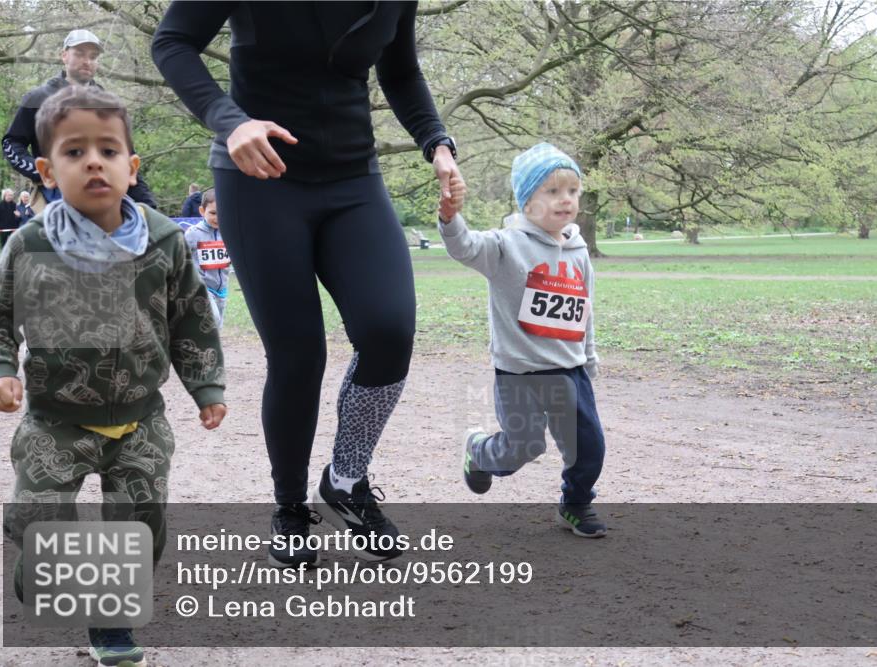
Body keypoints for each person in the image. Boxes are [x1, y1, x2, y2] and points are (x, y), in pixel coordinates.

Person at [152, 1, 464, 565]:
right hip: (258, 178)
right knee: (298, 354)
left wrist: (436, 143)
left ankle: (345, 480)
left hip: (352, 176)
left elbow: (400, 69)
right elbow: (172, 42)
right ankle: (290, 505)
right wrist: (230, 121)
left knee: (389, 329)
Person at [0, 85, 227, 666]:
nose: (94, 161)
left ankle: (110, 624)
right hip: (55, 422)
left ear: (131, 164)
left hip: (141, 420)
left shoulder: (165, 241)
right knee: (36, 519)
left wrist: (206, 386)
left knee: (141, 528)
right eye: (74, 152)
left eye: (109, 150)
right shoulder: (30, 243)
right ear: (45, 170)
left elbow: (192, 317)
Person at [438, 143, 607, 538]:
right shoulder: (503, 245)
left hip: (570, 369)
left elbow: (584, 309)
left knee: (589, 447)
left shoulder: (579, 252)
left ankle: (575, 505)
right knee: (524, 448)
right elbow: (464, 247)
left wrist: (589, 355)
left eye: (572, 191)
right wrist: (450, 218)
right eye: (552, 192)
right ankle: (479, 452)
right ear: (527, 201)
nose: (566, 200)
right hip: (519, 373)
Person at [2, 28, 157, 212]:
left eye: (93, 56)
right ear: (64, 55)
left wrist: (148, 207)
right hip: (52, 198)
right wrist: (40, 172)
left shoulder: (108, 104)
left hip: (102, 195)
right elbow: (12, 142)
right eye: (80, 54)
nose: (87, 61)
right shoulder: (38, 98)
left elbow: (125, 157)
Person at [184, 188, 229, 327]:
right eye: (213, 213)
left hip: (222, 287)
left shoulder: (229, 232)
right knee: (212, 318)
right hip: (201, 286)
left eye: (222, 213)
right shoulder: (193, 233)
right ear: (202, 211)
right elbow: (181, 256)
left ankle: (207, 346)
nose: (217, 218)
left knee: (217, 325)